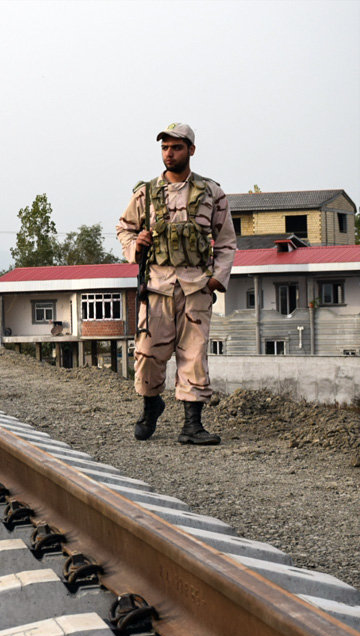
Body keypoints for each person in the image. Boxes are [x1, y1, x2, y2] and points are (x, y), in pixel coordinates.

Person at [116, 123, 236, 445]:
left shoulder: (212, 193)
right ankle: (151, 405)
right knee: (147, 354)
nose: (169, 153)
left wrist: (215, 280)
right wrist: (135, 244)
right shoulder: (146, 193)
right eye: (165, 147)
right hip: (156, 287)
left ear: (191, 150)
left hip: (196, 288)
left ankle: (192, 425)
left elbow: (226, 243)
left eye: (176, 147)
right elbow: (124, 228)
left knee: (194, 355)